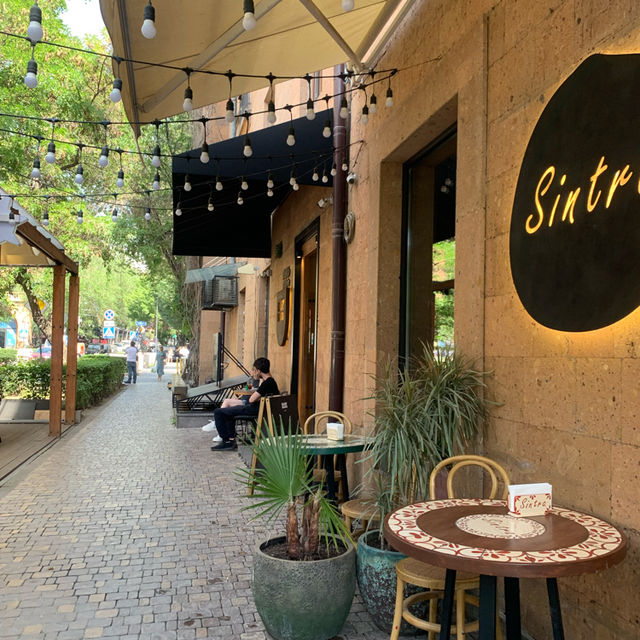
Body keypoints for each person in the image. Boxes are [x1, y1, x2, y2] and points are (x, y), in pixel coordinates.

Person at [210, 357, 279, 451]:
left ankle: (227, 442)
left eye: (254, 370)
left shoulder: (266, 383)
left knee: (218, 412)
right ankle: (230, 440)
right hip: (259, 409)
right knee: (227, 413)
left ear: (259, 371)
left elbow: (251, 399)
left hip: (254, 409)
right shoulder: (271, 381)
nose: (253, 372)